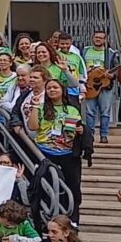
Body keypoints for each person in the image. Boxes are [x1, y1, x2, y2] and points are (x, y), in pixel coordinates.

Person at [27, 78, 88, 224]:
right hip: (45, 152)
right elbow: (32, 127)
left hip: (68, 154)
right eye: (49, 88)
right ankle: (46, 221)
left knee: (73, 188)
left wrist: (80, 130)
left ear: (62, 90)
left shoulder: (72, 109)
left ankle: (72, 221)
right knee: (45, 188)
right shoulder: (41, 107)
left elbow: (77, 129)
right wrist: (35, 107)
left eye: (55, 87)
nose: (52, 90)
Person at [83, 29, 121, 144]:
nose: (98, 39)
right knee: (89, 112)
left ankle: (104, 135)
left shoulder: (110, 53)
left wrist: (112, 75)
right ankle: (90, 136)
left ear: (105, 40)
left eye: (101, 38)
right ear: (92, 38)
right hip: (90, 85)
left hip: (105, 85)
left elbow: (117, 69)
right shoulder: (85, 50)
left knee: (105, 111)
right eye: (96, 37)